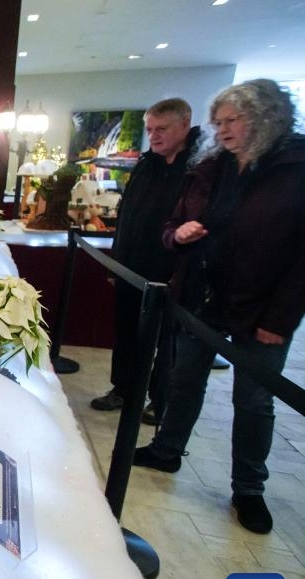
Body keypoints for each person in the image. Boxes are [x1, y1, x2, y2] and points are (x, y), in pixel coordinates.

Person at [133, 79, 305, 534]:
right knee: (183, 379)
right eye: (219, 121)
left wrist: (280, 319)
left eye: (234, 120)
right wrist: (179, 234)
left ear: (265, 118)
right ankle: (167, 450)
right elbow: (172, 225)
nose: (224, 129)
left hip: (261, 308)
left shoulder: (295, 167)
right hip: (200, 296)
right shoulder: (210, 166)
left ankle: (248, 487)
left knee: (253, 399)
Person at [91, 99, 200, 425]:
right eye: (150, 129)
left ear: (185, 125)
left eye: (162, 129)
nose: (153, 135)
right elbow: (126, 216)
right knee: (126, 333)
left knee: (167, 342)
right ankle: (123, 389)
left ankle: (159, 399)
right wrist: (116, 263)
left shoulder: (198, 168)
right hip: (132, 267)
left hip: (172, 272)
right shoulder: (145, 164)